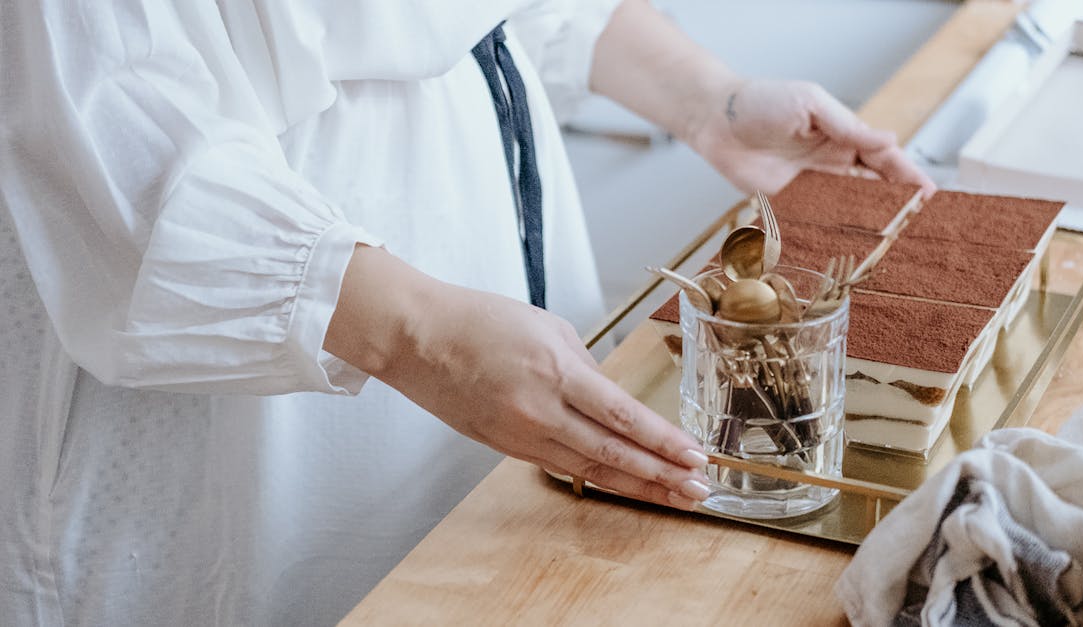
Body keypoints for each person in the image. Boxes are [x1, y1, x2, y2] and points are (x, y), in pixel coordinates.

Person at [0, 1, 934, 625]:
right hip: (248, 389)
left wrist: (707, 101)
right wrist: (424, 336)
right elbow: (122, 138)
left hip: (483, 297)